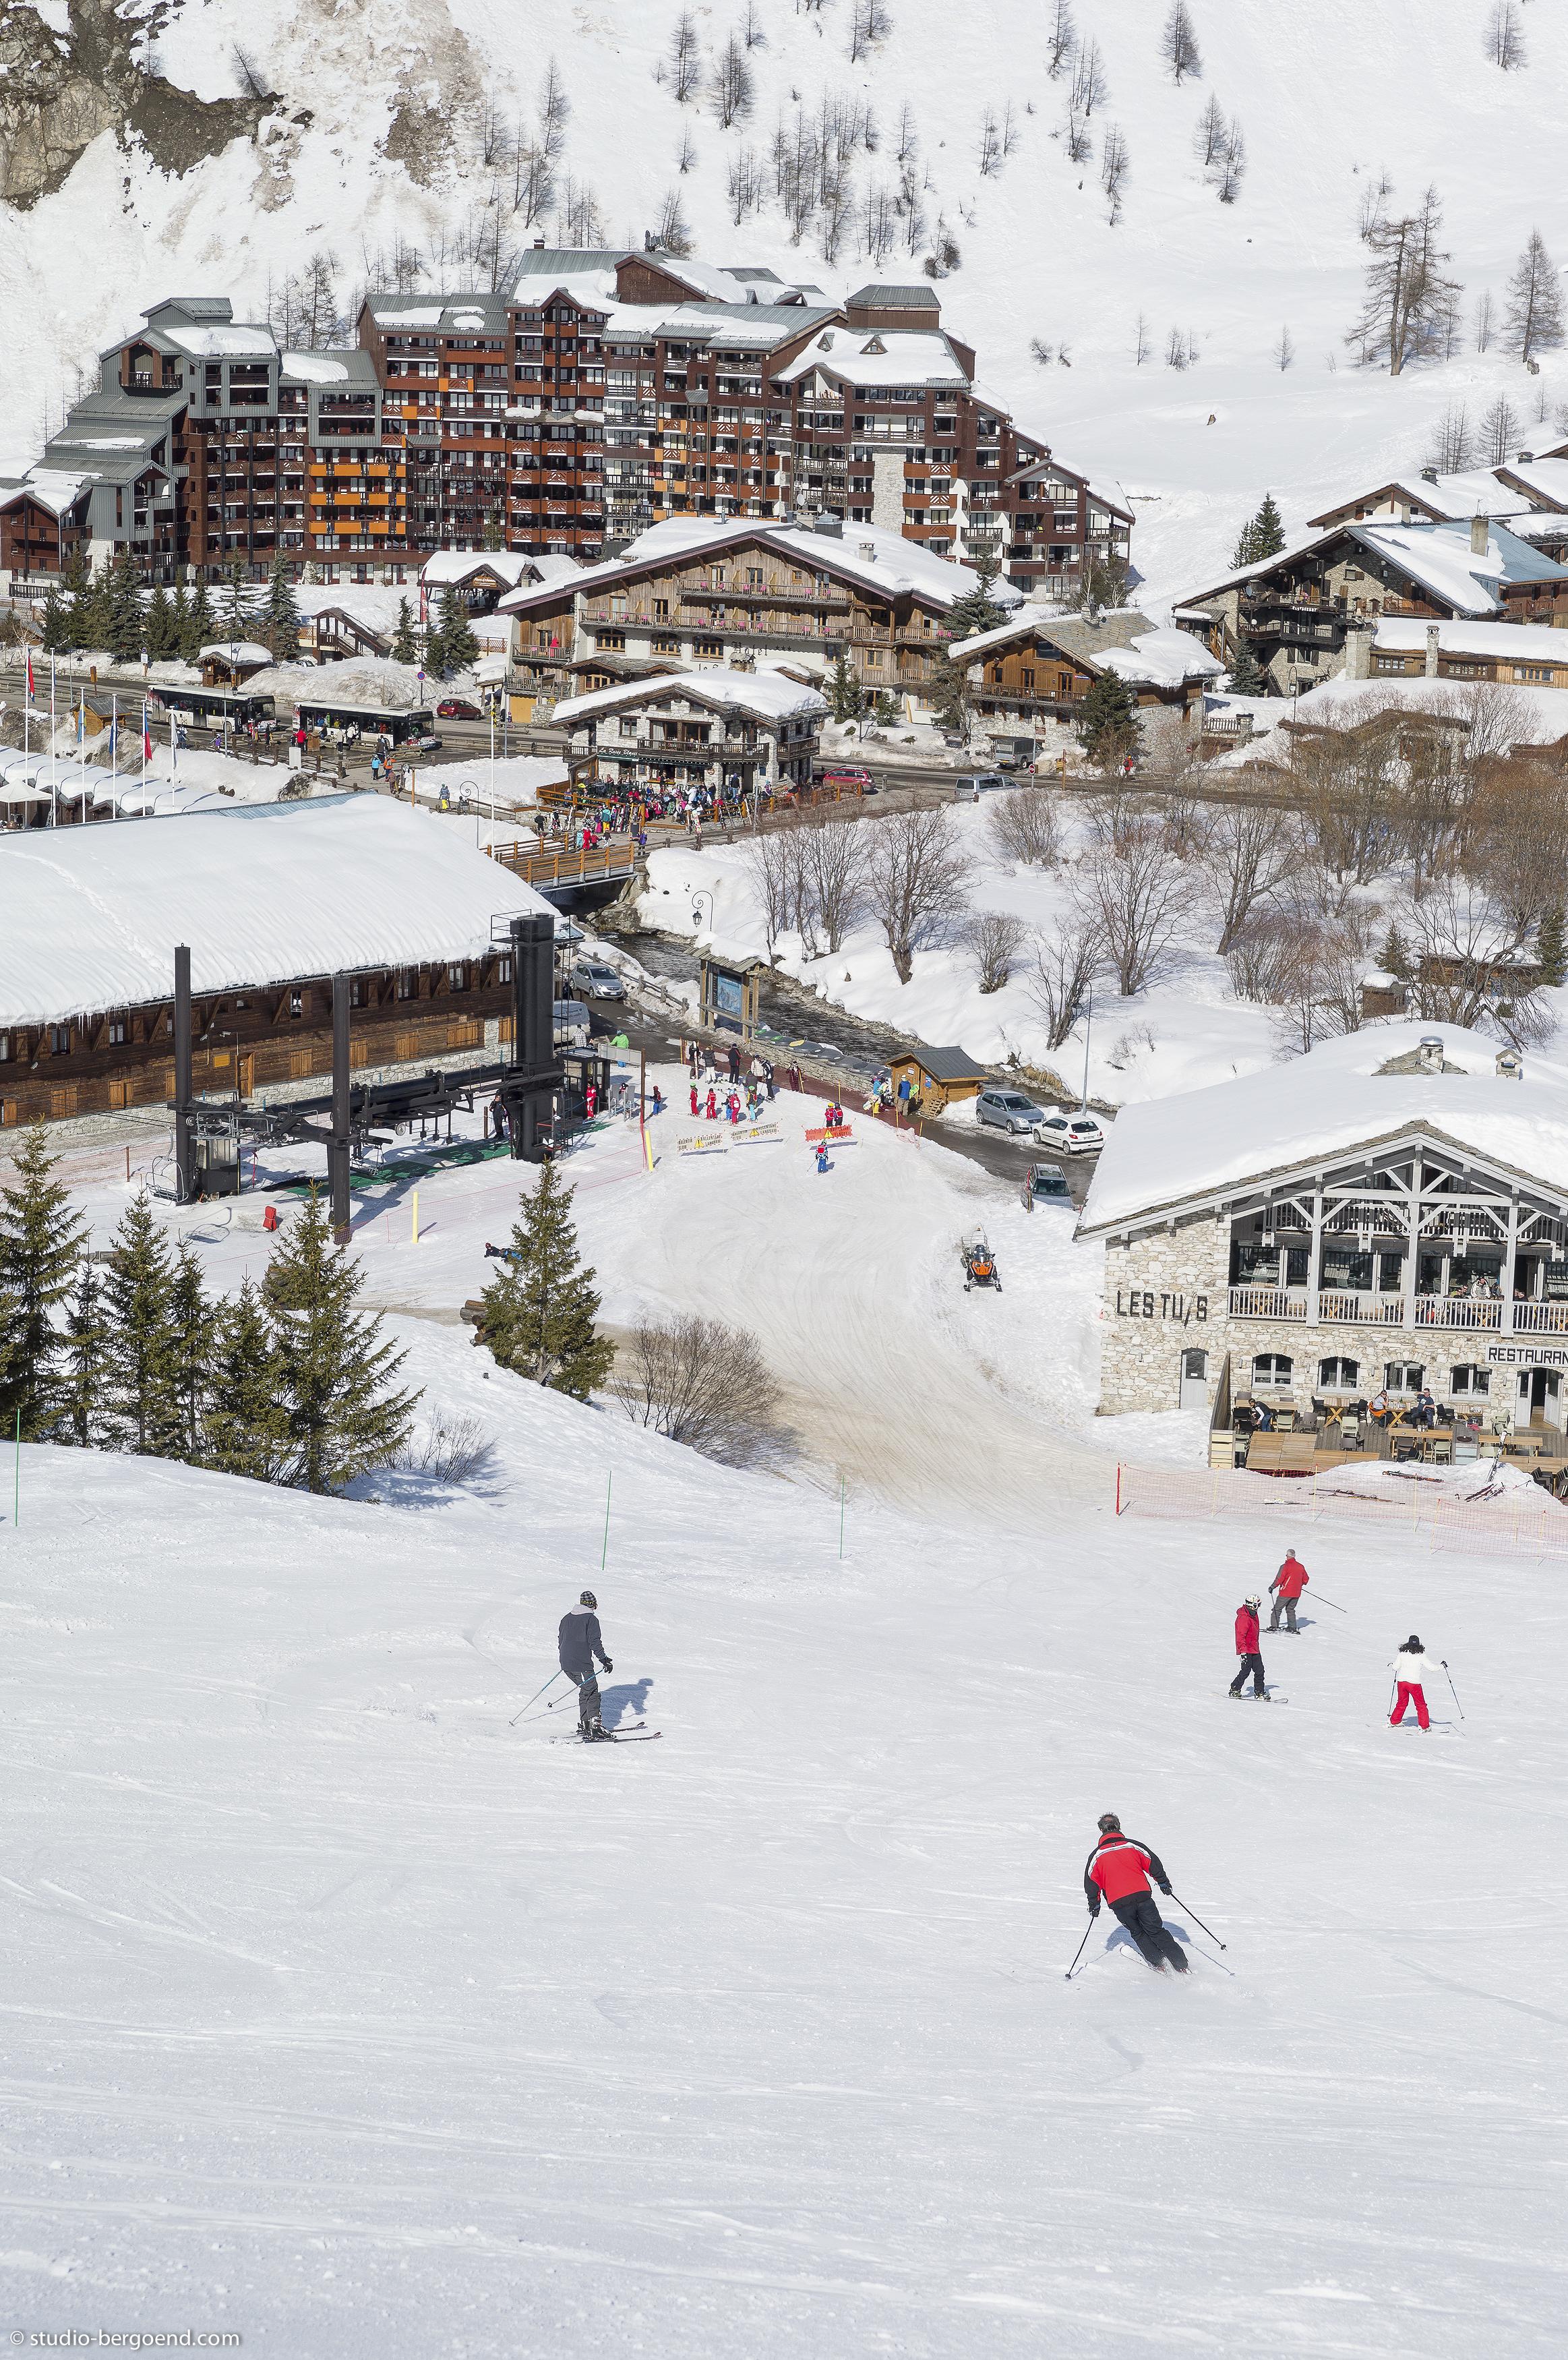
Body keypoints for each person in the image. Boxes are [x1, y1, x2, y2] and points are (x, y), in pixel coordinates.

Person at [1083, 1813, 1188, 1974]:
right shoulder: (1133, 1846)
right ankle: (1181, 1965)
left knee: (1138, 1933)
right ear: (1118, 1827)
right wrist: (1163, 1882)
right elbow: (1153, 1862)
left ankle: (1159, 1964)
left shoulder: (1096, 1856)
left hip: (1119, 1902)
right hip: (1142, 1896)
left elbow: (1092, 1882)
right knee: (1156, 1930)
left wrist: (1094, 1904)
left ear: (1100, 1830)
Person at [558, 1589, 614, 1741]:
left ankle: (585, 1724)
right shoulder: (591, 1619)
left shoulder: (566, 1618)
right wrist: (604, 1659)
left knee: (585, 1690)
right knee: (592, 1691)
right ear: (593, 1605)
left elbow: (560, 1639)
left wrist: (566, 1657)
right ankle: (595, 1727)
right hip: (581, 1663)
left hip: (566, 1663)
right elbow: (594, 1642)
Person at [1389, 1633, 1440, 1731]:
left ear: (1408, 1644)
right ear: (1419, 1644)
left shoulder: (1402, 1654)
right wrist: (1442, 1666)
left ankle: (1394, 1721)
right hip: (1414, 1684)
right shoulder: (1421, 1656)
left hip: (1401, 1683)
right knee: (1421, 1705)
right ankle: (1424, 1726)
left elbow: (1395, 1668)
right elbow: (1433, 1668)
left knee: (1402, 1702)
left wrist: (1392, 1665)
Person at [1229, 1593, 1269, 1699]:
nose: (1258, 1607)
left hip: (1255, 1649)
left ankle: (1259, 1692)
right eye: (1257, 1605)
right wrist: (1243, 1652)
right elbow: (1240, 1636)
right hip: (1246, 1650)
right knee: (1245, 1671)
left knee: (1260, 1671)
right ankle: (1235, 1689)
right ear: (1252, 1605)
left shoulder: (1253, 1614)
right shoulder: (1244, 1618)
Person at [1269, 1548, 1309, 1633]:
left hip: (1286, 1592)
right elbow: (1306, 1579)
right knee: (1290, 1609)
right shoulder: (1301, 1566)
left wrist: (1272, 1587)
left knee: (1277, 1609)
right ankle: (1292, 1627)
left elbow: (1279, 1579)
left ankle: (1274, 1627)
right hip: (1296, 1593)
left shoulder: (1285, 1566)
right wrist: (1298, 1585)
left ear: (1287, 1556)